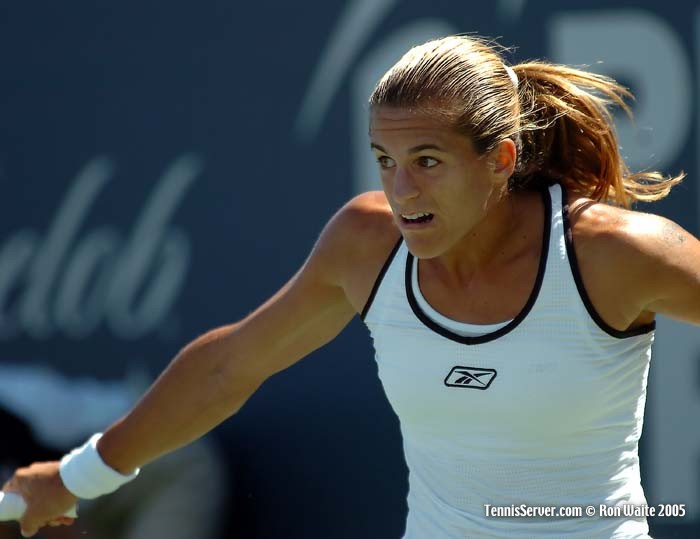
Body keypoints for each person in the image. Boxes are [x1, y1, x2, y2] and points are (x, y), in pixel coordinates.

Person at [3, 34, 699, 538]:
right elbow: (229, 365)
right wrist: (74, 477)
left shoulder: (613, 255)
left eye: (427, 161)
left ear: (501, 160)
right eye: (384, 160)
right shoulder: (366, 244)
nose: (401, 190)